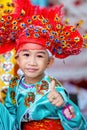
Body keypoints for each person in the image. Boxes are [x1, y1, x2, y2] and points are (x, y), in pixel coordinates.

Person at [0, 0, 87, 130]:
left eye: (40, 56)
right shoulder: (14, 86)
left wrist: (63, 106)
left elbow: (77, 124)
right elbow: (9, 120)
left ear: (49, 62)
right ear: (17, 59)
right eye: (26, 55)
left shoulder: (53, 87)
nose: (32, 62)